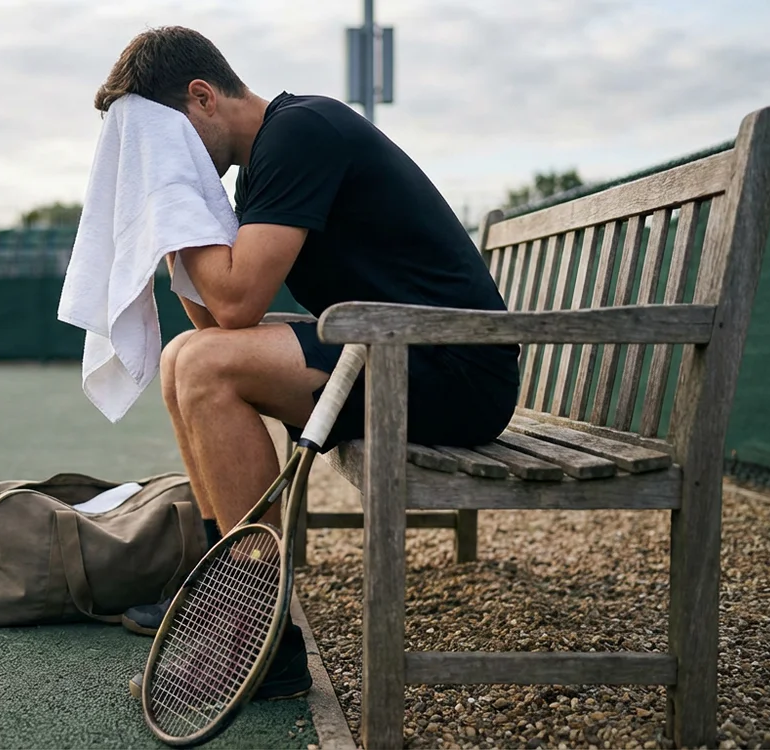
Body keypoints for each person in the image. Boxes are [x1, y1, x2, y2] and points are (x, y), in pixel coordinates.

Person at [96, 26, 520, 701]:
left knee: (204, 365)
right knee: (187, 358)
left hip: (455, 370)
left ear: (203, 97)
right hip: (395, 349)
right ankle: (227, 595)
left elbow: (233, 305)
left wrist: (170, 205)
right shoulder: (273, 154)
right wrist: (172, 220)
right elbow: (212, 323)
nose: (157, 164)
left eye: (162, 144)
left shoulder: (301, 133)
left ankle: (262, 636)